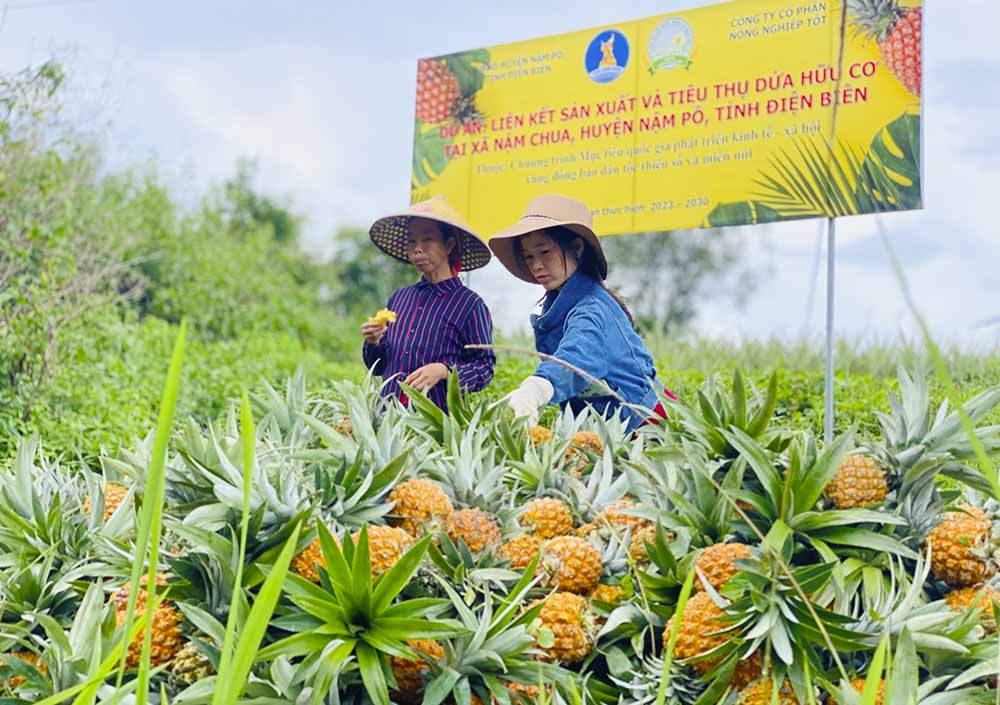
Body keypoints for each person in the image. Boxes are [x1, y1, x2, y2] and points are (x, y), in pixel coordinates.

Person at [488, 194, 666, 430]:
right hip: (604, 426)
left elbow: (575, 358)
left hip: (643, 424)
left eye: (545, 252)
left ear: (577, 248)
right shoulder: (561, 304)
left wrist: (536, 389)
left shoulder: (591, 308)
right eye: (529, 256)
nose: (536, 265)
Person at [362, 195, 495, 412]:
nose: (418, 248)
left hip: (434, 424)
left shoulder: (470, 305)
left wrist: (444, 371)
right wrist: (374, 341)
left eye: (427, 240)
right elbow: (378, 367)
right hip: (388, 418)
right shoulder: (399, 298)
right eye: (412, 241)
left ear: (449, 245)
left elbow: (484, 369)